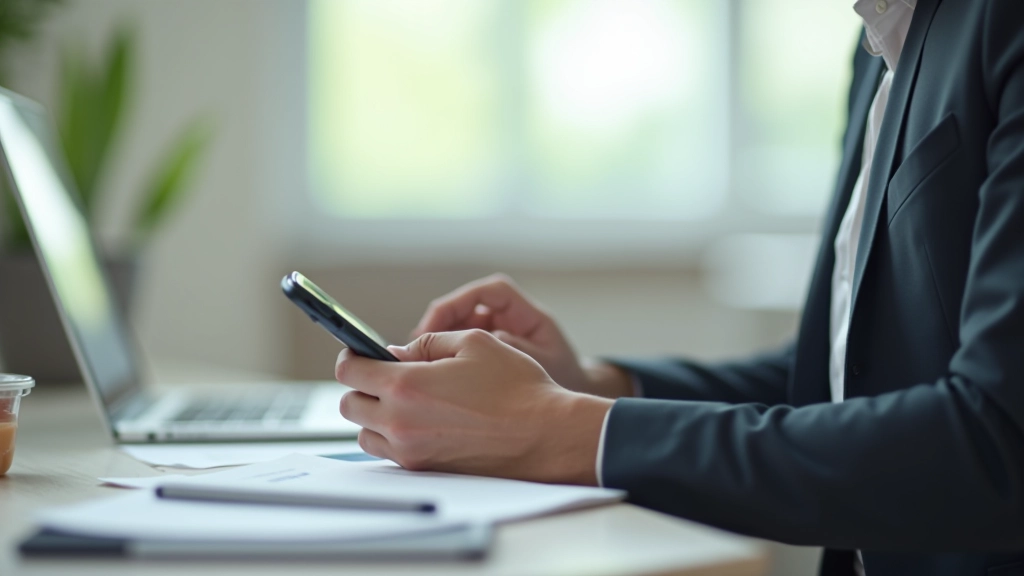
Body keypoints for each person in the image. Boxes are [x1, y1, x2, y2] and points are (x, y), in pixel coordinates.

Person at [334, 0, 1024, 574]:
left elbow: (997, 441)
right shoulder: (879, 46)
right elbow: (839, 381)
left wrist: (560, 430)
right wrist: (588, 388)